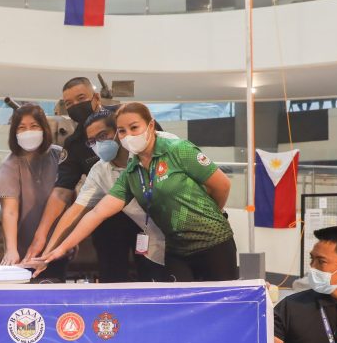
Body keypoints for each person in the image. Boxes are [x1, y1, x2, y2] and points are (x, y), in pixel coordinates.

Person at [37, 102, 237, 281]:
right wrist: (60, 249)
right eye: (122, 131)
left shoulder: (176, 148)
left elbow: (222, 185)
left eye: (134, 128)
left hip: (213, 241)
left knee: (223, 303)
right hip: (175, 249)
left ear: (150, 125)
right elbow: (96, 213)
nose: (129, 135)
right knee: (177, 304)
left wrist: (211, 212)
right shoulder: (130, 173)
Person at [23, 77, 146, 282]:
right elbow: (63, 193)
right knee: (112, 276)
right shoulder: (78, 147)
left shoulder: (128, 117)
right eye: (69, 103)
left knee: (153, 273)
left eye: (81, 98)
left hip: (149, 212)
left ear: (96, 98)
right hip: (107, 217)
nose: (75, 106)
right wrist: (44, 238)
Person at [43, 109, 168, 281]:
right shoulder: (101, 171)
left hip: (186, 231)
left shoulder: (159, 146)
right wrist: (50, 251)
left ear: (118, 131)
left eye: (103, 136)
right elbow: (82, 212)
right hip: (153, 236)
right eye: (92, 141)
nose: (99, 144)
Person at [0, 103, 66, 280]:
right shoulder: (10, 164)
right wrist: (11, 250)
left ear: (44, 129)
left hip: (56, 245)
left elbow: (69, 197)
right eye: (22, 128)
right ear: (14, 133)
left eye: (34, 126)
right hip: (23, 250)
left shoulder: (59, 156)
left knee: (55, 285)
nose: (28, 132)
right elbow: (9, 211)